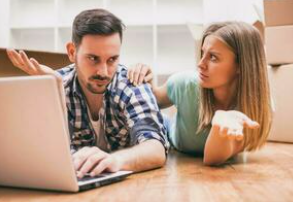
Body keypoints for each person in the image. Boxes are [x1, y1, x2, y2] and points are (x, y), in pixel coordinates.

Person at [6, 8, 169, 178]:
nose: (103, 72)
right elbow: (37, 154)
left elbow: (156, 149)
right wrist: (54, 97)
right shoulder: (56, 84)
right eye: (93, 58)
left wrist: (115, 161)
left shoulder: (131, 83)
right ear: (72, 52)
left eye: (112, 59)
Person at [127, 21, 272, 166]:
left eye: (213, 57)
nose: (201, 64)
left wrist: (219, 122)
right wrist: (145, 77)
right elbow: (154, 101)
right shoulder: (186, 84)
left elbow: (211, 158)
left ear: (241, 66)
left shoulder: (251, 110)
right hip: (167, 135)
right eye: (203, 53)